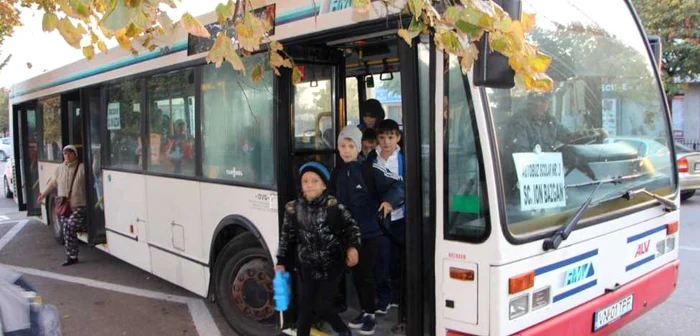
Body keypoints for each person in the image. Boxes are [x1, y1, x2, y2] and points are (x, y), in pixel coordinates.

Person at [330, 126, 404, 335]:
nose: (346, 150)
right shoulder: (337, 172)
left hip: (372, 233)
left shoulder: (369, 169)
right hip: (349, 234)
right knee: (358, 276)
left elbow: (399, 185)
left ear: (358, 147)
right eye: (342, 146)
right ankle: (365, 310)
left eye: (350, 146)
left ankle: (370, 314)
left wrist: (389, 202)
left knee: (366, 274)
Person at [276, 161, 361, 336]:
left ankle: (343, 330)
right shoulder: (293, 209)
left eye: (315, 181)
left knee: (323, 306)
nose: (309, 185)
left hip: (333, 264)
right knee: (305, 308)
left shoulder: (334, 206)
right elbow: (287, 238)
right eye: (305, 181)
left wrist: (353, 248)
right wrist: (281, 261)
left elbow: (352, 228)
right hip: (307, 265)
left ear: (324, 185)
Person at [367, 119, 406, 321]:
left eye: (390, 137)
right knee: (381, 259)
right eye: (382, 137)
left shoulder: (404, 159)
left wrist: (392, 201)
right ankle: (384, 298)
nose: (386, 142)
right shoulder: (372, 159)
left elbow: (406, 185)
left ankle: (398, 296)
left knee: (397, 260)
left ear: (398, 137)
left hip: (399, 217)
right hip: (379, 219)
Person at [37, 145, 86, 266]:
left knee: (70, 225)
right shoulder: (59, 169)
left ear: (75, 154)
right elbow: (53, 183)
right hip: (64, 206)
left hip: (79, 206)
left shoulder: (81, 167)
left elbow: (94, 172)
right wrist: (43, 194)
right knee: (66, 229)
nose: (67, 155)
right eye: (65, 153)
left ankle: (85, 226)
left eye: (70, 153)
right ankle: (72, 256)